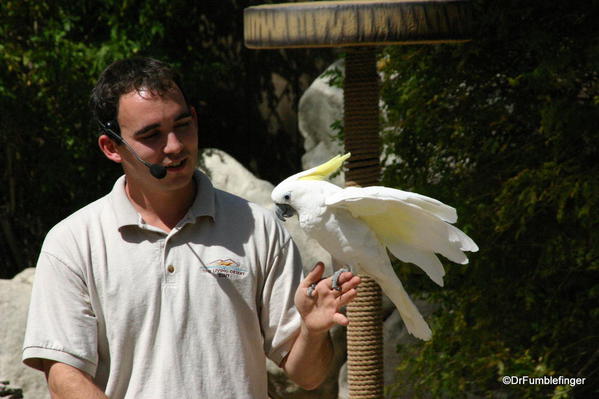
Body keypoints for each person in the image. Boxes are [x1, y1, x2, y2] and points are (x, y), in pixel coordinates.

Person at [22, 57, 360, 398]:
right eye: (151, 135)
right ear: (111, 147)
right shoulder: (73, 243)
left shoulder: (258, 228)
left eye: (182, 125)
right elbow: (64, 376)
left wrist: (313, 332)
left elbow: (309, 376)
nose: (175, 146)